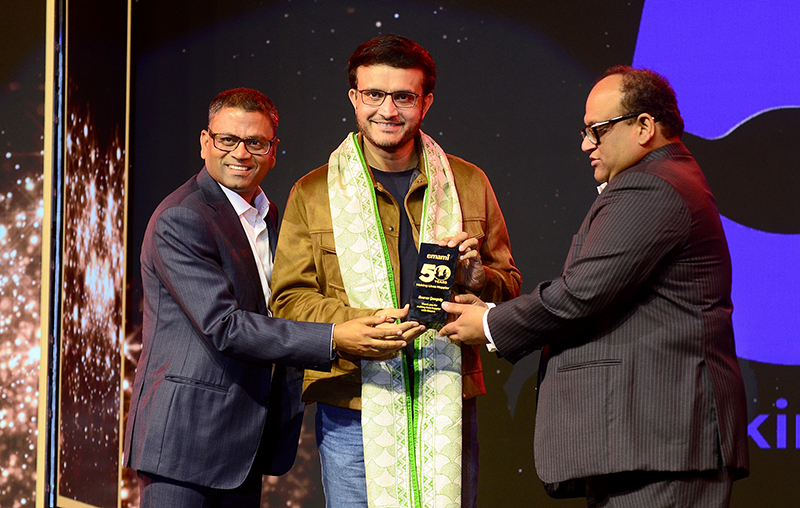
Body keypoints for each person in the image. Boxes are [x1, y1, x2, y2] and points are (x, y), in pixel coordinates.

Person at [440, 66, 750, 507]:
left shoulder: (650, 187)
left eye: (597, 130)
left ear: (644, 126)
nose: (586, 144)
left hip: (661, 443)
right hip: (651, 445)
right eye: (585, 131)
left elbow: (582, 293)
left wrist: (490, 323)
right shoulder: (662, 180)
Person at [123, 87, 421, 508]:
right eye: (227, 140)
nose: (241, 153)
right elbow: (225, 326)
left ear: (273, 150)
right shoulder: (182, 217)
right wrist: (334, 337)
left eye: (255, 143)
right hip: (185, 442)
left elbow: (282, 302)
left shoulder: (268, 215)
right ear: (205, 142)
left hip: (242, 441)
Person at [270, 35, 521, 508]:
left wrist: (478, 280)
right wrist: (356, 326)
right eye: (374, 95)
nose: (387, 110)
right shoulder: (313, 191)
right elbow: (288, 300)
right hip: (351, 402)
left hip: (446, 396)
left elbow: (507, 289)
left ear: (426, 102)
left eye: (404, 96)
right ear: (354, 98)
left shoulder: (469, 182)